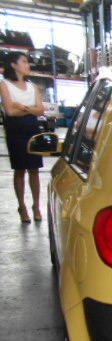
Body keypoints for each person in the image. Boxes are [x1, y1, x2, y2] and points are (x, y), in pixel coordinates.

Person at [0, 52, 45, 223]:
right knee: (19, 169)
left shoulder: (32, 86)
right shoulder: (4, 85)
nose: (28, 65)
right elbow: (10, 111)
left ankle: (36, 206)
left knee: (35, 169)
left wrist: (23, 107)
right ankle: (22, 206)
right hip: (15, 130)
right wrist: (31, 109)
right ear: (13, 65)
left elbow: (41, 110)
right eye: (24, 62)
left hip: (32, 128)